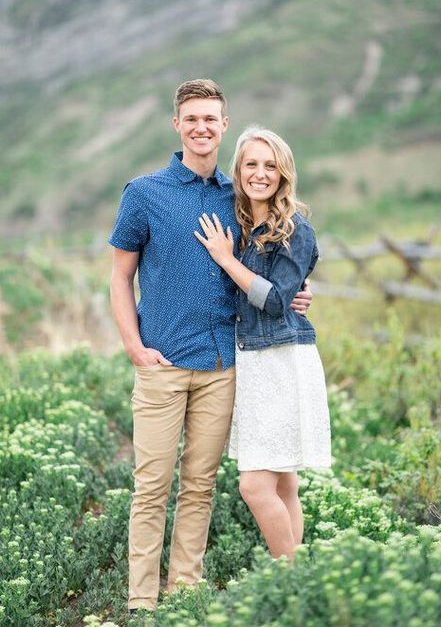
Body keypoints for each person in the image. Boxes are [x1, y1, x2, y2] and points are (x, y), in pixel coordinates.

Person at [108, 80, 313, 613]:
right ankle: (140, 600)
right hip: (162, 361)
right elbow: (118, 276)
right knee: (151, 486)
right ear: (177, 125)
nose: (202, 127)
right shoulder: (144, 193)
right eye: (192, 118)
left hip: (224, 363)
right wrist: (134, 346)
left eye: (212, 119)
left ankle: (186, 592)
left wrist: (297, 293)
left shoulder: (240, 195)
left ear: (224, 126)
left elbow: (273, 258)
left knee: (199, 487)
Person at [195, 126, 331, 560]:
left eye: (270, 165)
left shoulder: (295, 229)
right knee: (283, 482)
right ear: (238, 170)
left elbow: (274, 301)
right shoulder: (242, 223)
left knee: (254, 485)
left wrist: (226, 260)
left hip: (282, 360)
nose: (260, 173)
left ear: (283, 173)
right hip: (252, 361)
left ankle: (288, 577)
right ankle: (300, 580)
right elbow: (279, 294)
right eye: (251, 164)